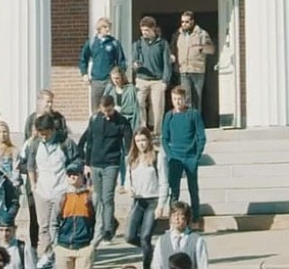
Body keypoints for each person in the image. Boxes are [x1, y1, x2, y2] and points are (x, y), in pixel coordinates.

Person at [23, 112, 75, 268]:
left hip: (61, 189)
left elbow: (75, 160)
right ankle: (47, 254)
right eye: (41, 134)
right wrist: (33, 185)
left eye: (46, 134)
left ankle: (58, 253)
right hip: (42, 190)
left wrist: (71, 181)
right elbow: (30, 165)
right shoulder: (35, 144)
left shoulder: (65, 143)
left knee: (56, 224)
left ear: (53, 130)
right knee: (43, 225)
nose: (43, 137)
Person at [78, 94, 131, 243]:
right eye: (104, 111)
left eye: (109, 110)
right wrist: (87, 163)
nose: (107, 114)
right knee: (98, 199)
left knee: (107, 197)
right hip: (95, 163)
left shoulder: (121, 122)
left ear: (113, 107)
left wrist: (128, 156)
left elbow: (128, 142)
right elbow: (90, 141)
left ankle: (107, 229)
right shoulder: (95, 119)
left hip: (111, 164)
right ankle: (110, 222)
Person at [159, 87, 205, 228]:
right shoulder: (169, 116)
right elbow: (164, 138)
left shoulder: (193, 114)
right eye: (174, 99)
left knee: (193, 188)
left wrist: (197, 155)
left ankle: (195, 219)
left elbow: (201, 136)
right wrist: (170, 155)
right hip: (175, 157)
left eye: (180, 99)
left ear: (185, 99)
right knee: (174, 190)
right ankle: (173, 220)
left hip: (190, 156)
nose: (177, 102)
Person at [123, 129, 161, 269]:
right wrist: (129, 189)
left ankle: (147, 265)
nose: (141, 144)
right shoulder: (132, 158)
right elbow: (127, 179)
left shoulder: (156, 156)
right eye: (138, 141)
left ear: (149, 140)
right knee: (129, 236)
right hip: (138, 201)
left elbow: (164, 181)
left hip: (153, 200)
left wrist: (162, 204)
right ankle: (151, 248)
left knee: (145, 237)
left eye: (143, 140)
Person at [131, 16, 172, 133]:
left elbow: (167, 64)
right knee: (139, 103)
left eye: (147, 30)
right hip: (142, 79)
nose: (144, 33)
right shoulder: (138, 44)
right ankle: (143, 129)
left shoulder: (163, 44)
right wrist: (135, 65)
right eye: (142, 30)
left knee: (157, 107)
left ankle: (156, 131)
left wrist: (165, 80)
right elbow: (133, 61)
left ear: (154, 29)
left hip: (157, 80)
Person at [52, 164, 96, 269]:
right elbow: (53, 222)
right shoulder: (62, 197)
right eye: (70, 174)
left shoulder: (90, 196)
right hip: (63, 247)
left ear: (82, 176)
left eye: (75, 174)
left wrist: (93, 243)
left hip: (84, 247)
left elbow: (99, 221)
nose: (72, 177)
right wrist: (55, 243)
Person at [78, 18, 126, 112]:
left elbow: (122, 61)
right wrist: (84, 74)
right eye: (105, 27)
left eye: (109, 27)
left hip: (110, 80)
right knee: (96, 108)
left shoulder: (114, 43)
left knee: (111, 105)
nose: (108, 29)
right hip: (96, 80)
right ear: (99, 28)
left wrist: (120, 76)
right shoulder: (92, 43)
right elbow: (83, 59)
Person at [173, 13, 212, 117]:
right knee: (185, 98)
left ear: (192, 22)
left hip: (197, 70)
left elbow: (211, 50)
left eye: (186, 22)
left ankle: (196, 121)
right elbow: (173, 50)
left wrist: (202, 48)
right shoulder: (178, 34)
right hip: (184, 70)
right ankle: (187, 121)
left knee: (197, 99)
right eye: (182, 22)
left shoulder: (202, 34)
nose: (184, 24)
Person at [148, 202, 206, 269]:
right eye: (174, 215)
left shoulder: (197, 241)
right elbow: (157, 265)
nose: (176, 219)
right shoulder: (162, 241)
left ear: (187, 218)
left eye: (180, 215)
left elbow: (203, 265)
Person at [105, 66, 138, 132]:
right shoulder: (110, 90)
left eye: (117, 78)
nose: (115, 81)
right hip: (114, 120)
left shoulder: (131, 89)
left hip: (128, 120)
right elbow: (104, 104)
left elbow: (135, 108)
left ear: (122, 78)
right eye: (113, 78)